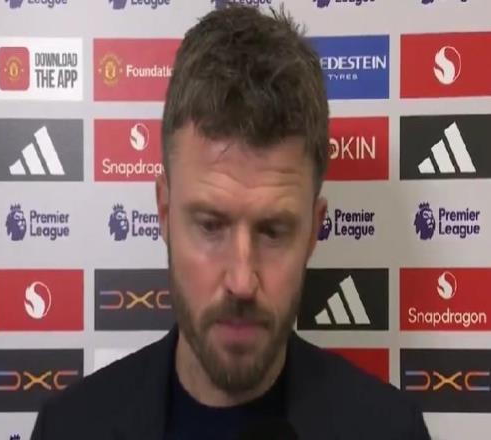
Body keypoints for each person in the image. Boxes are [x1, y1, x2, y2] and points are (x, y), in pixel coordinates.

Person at [31, 5, 431, 440]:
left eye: (273, 231)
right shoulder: (69, 428)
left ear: (314, 232)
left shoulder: (390, 431)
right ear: (164, 212)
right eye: (210, 226)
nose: (242, 282)